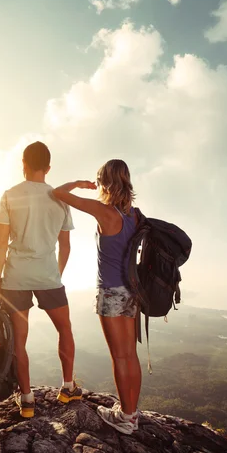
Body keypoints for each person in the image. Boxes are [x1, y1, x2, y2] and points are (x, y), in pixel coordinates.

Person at [0, 141, 82, 418]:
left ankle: (28, 399)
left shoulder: (10, 195)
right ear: (48, 167)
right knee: (64, 329)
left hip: (15, 277)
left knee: (19, 339)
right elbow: (65, 245)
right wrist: (57, 274)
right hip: (48, 276)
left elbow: (1, 243)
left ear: (24, 165)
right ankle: (68, 387)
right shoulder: (60, 198)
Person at [53, 159, 141, 434]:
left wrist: (79, 184)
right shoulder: (135, 214)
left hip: (111, 292)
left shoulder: (103, 211)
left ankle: (125, 419)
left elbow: (57, 192)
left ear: (105, 182)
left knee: (119, 358)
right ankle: (131, 412)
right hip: (132, 292)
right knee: (131, 355)